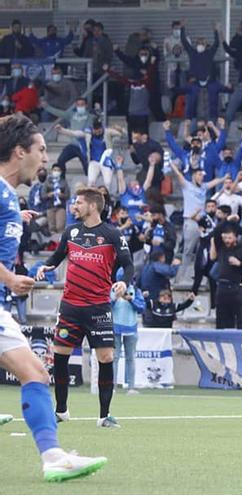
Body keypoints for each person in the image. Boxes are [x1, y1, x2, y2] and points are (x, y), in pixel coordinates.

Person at [0, 115, 108, 481]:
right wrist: (9, 277)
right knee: (35, 372)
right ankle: (53, 455)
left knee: (35, 373)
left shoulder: (9, 197)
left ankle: (53, 456)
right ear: (19, 152)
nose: (46, 159)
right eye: (41, 150)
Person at [35, 187, 133, 429]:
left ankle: (104, 416)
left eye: (78, 203)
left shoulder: (112, 234)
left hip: (99, 307)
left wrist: (124, 281)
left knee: (106, 357)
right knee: (60, 356)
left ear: (92, 206)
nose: (74, 207)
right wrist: (46, 267)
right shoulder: (71, 231)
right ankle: (61, 411)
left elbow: (128, 265)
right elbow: (57, 256)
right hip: (70, 306)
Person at [111, 282, 144, 394]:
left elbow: (142, 308)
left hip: (131, 327)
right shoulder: (112, 289)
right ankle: (112, 387)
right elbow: (106, 305)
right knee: (114, 358)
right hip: (115, 328)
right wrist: (115, 297)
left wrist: (131, 300)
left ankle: (131, 387)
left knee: (130, 358)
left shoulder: (135, 289)